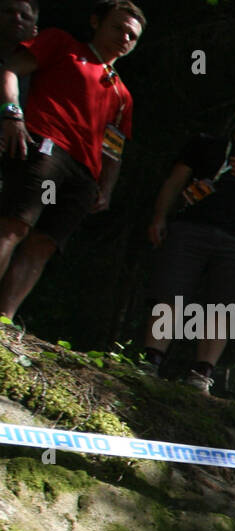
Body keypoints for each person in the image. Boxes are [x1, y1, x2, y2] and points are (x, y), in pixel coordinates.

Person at [0, 1, 144, 327]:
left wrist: (105, 188)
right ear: (96, 21)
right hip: (46, 147)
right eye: (118, 28)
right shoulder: (61, 44)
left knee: (43, 244)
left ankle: (3, 322)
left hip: (84, 175)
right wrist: (11, 113)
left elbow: (114, 150)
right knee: (15, 225)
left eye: (132, 35)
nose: (124, 37)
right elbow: (9, 70)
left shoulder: (122, 95)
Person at [140, 90, 235, 393]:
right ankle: (151, 360)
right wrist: (159, 217)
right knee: (171, 293)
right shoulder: (205, 145)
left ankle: (201, 373)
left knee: (223, 307)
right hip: (190, 229)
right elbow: (174, 183)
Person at [0, 1, 37, 105]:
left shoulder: (40, 71)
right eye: (9, 12)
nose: (17, 18)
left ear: (34, 27)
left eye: (25, 16)